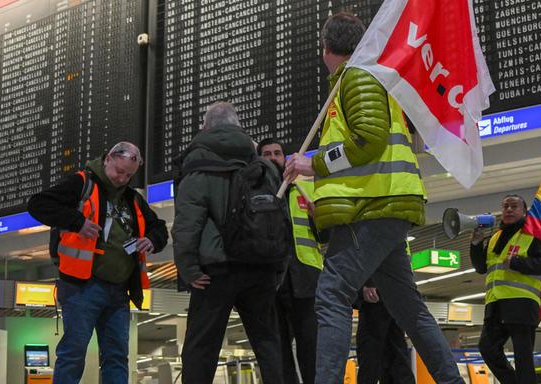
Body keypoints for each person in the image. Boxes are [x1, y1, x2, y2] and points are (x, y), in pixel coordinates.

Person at [282, 12, 464, 384]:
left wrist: (313, 163)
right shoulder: (365, 78)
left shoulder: (358, 78)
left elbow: (369, 138)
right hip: (387, 202)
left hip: (371, 205)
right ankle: (452, 380)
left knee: (331, 295)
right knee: (407, 307)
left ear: (326, 47)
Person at [27, 142, 169, 384]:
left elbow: (159, 228)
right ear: (107, 160)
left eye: (129, 175)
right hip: (82, 287)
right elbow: (38, 204)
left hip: (119, 290)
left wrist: (152, 240)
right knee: (73, 352)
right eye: (119, 171)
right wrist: (77, 222)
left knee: (116, 356)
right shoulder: (81, 184)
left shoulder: (133, 199)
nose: (122, 178)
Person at [172, 102, 286, 383]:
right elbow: (282, 220)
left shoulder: (197, 164)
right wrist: (279, 267)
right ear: (238, 125)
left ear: (205, 127)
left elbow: (188, 223)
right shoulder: (263, 166)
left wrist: (188, 269)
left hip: (216, 271)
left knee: (201, 349)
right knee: (269, 344)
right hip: (260, 266)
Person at [470, 195, 541, 384]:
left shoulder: (533, 236)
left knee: (523, 358)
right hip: (495, 304)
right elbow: (481, 267)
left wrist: (517, 263)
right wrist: (476, 245)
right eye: (505, 206)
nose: (508, 209)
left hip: (521, 304)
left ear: (524, 211)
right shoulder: (494, 238)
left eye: (514, 206)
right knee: (487, 348)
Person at [259, 138, 322, 384]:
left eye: (277, 153)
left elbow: (326, 235)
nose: (273, 157)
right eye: (267, 154)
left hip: (306, 282)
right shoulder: (255, 198)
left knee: (313, 354)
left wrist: (319, 214)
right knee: (279, 358)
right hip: (270, 286)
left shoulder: (306, 192)